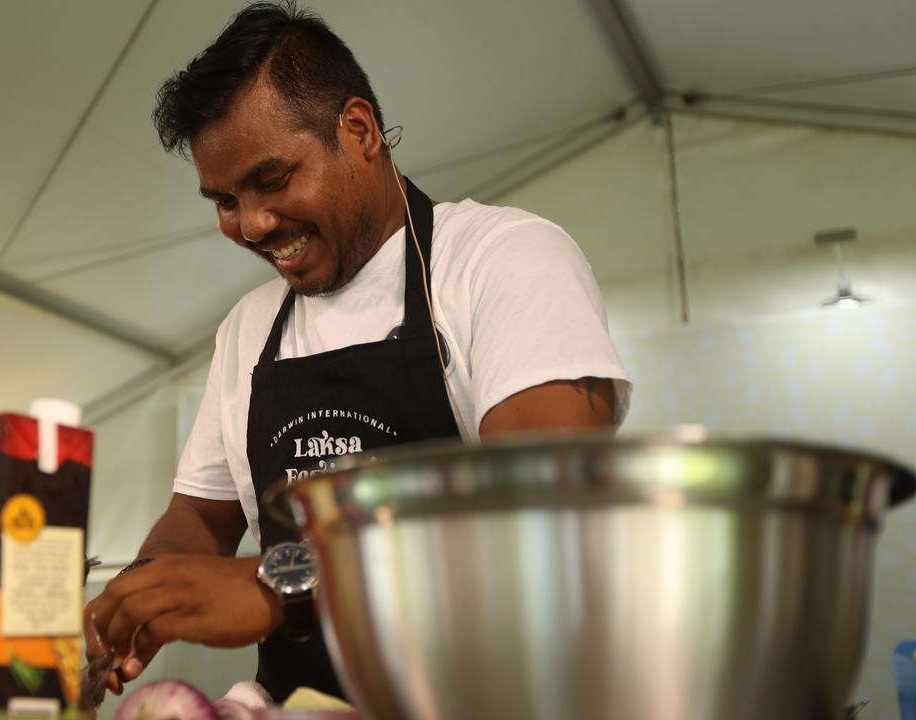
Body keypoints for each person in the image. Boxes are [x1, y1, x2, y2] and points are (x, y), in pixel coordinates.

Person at [85, 1, 633, 703]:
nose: (251, 223)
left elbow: (536, 510)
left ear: (359, 129)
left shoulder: (501, 260)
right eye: (223, 199)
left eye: (273, 180)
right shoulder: (249, 329)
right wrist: (140, 598)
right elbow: (200, 516)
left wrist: (281, 582)